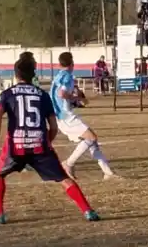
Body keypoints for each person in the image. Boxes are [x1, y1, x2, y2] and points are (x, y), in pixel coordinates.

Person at [0, 55, 100, 225]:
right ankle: (88, 211)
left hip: (16, 145)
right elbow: (53, 127)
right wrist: (46, 144)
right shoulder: (43, 95)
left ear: (16, 75)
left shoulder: (7, 94)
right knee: (63, 178)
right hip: (39, 144)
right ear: (34, 75)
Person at [50, 51, 118, 180]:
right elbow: (61, 94)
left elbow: (58, 95)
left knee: (91, 140)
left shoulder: (58, 76)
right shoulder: (67, 76)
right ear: (72, 63)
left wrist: (74, 100)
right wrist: (76, 98)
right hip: (65, 116)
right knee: (91, 137)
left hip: (61, 114)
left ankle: (108, 173)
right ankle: (68, 164)